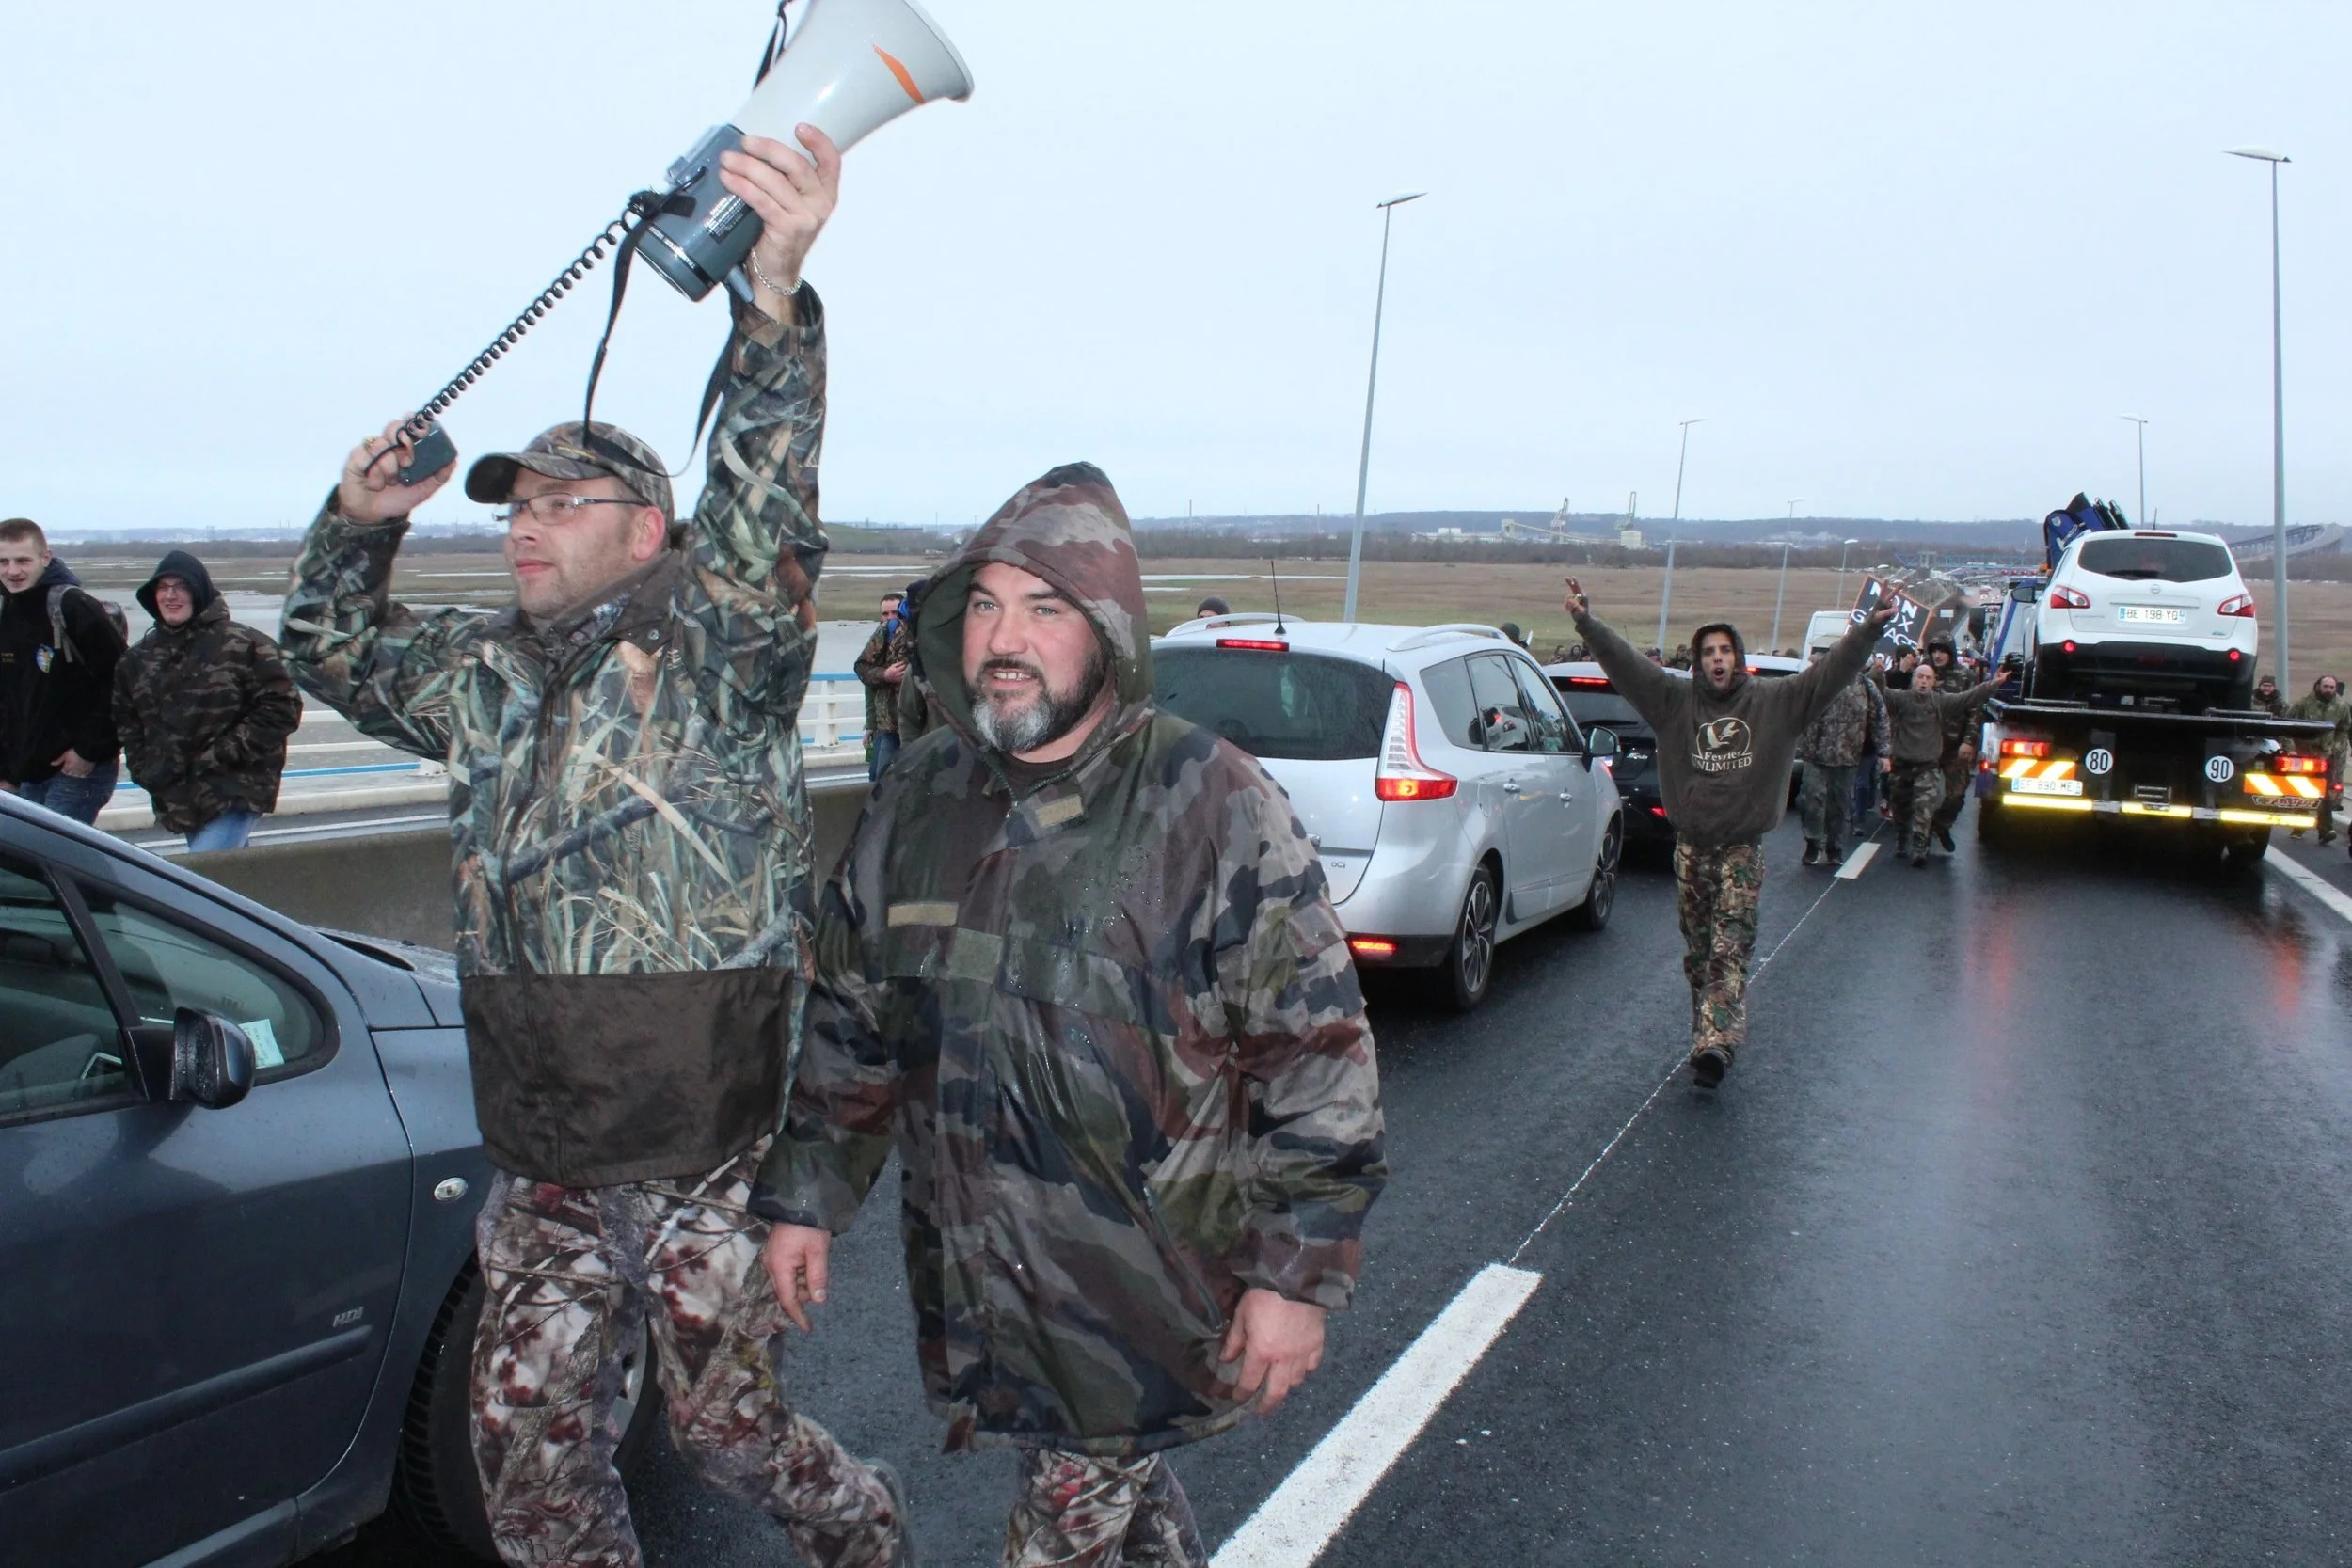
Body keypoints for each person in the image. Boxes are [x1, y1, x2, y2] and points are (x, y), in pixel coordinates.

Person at [279, 128, 912, 1568]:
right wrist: (357, 523)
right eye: (514, 507)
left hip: (702, 1145)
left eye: (566, 506)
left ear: (647, 532)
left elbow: (767, 503)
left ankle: (860, 1520)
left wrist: (773, 300)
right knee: (529, 1460)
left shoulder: (724, 648)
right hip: (544, 1147)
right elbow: (319, 643)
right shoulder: (480, 673)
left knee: (723, 1429)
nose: (524, 529)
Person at [757, 463, 1386, 1567]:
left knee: (1064, 1520)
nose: (1006, 636)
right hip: (981, 1273)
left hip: (1143, 1283)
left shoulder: (1213, 801)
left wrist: (1295, 1275)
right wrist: (808, 1192)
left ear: (1105, 629)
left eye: (1045, 607)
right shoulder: (918, 796)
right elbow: (855, 1010)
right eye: (987, 604)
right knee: (1115, 1502)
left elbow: (1317, 1054)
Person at [1563, 578, 1895, 1087]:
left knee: (1728, 949)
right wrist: (1587, 622)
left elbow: (1829, 674)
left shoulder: (1775, 702)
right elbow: (1628, 667)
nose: (1718, 660)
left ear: (1738, 659)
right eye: (1709, 653)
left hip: (1742, 849)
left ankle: (1717, 1045)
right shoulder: (1673, 700)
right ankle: (1706, 1031)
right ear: (1699, 662)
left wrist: (1868, 631)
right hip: (1691, 849)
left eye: (1726, 651)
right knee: (1698, 953)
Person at [113, 552, 301, 851]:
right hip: (179, 794)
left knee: (202, 876)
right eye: (163, 587)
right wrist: (144, 768)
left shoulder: (246, 646)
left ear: (199, 591)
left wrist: (221, 754)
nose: (171, 596)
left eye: (181, 586)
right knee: (228, 882)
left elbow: (282, 709)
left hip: (236, 789)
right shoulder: (137, 660)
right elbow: (127, 720)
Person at [0, 517, 125, 824]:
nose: (12, 571)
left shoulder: (71, 606)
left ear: (46, 558)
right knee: (33, 864)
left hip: (78, 769)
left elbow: (123, 681)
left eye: (23, 560)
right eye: (3, 561)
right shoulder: (9, 610)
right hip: (28, 771)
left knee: (55, 857)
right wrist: (6, 769)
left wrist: (89, 750)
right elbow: (10, 700)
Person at [1879, 663, 1995, 867]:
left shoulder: (1940, 702)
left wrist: (1993, 684)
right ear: (1913, 679)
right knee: (1900, 808)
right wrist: (1877, 671)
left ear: (1933, 682)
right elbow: (1880, 690)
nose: (1923, 682)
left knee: (1924, 808)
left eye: (1928, 678)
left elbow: (1969, 697)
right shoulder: (1901, 699)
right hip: (1902, 765)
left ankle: (1919, 847)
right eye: (1920, 677)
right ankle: (1901, 838)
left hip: (1927, 766)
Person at [1795, 648, 1888, 866]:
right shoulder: (1818, 681)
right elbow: (1794, 707)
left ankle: (1834, 846)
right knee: (1811, 799)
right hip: (1815, 753)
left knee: (1839, 804)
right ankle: (1813, 843)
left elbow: (1880, 719)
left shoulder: (1866, 687)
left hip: (1847, 756)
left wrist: (1884, 753)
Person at [2285, 674, 2350, 845]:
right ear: (2318, 686)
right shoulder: (2304, 703)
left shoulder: (2341, 706)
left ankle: (2325, 830)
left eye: (2331, 687)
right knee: (2303, 791)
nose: (2328, 690)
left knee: (2324, 793)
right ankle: (2298, 827)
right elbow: (2286, 724)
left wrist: (2336, 746)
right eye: (2325, 686)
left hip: (2326, 756)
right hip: (2304, 754)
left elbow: (2344, 728)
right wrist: (2291, 749)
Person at [853, 589, 907, 781]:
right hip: (886, 726)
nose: (890, 618)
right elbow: (867, 685)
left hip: (913, 726)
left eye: (894, 613)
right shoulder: (880, 640)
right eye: (885, 614)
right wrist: (885, 674)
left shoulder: (911, 636)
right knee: (878, 777)